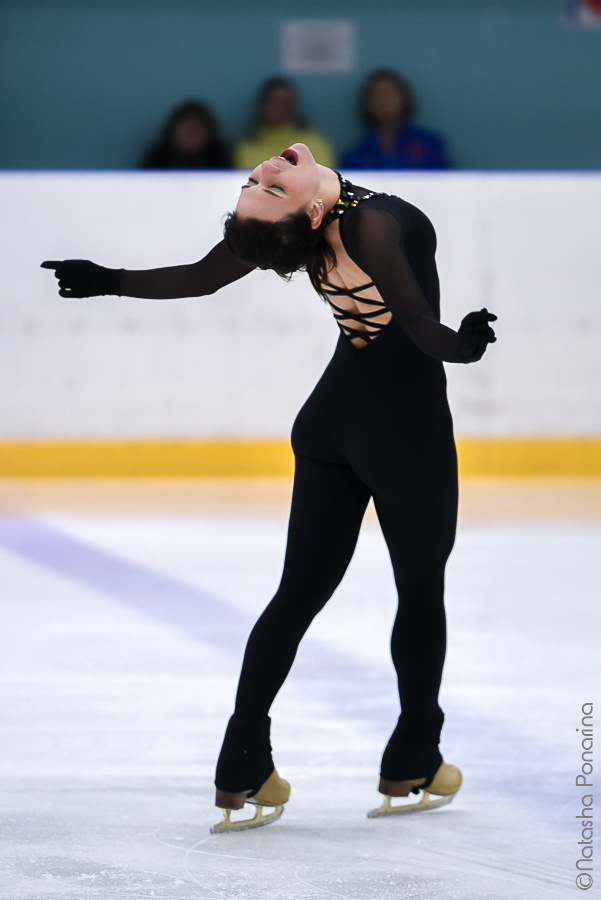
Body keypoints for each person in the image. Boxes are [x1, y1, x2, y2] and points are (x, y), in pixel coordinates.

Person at [42, 143, 496, 832]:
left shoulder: (296, 228)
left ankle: (243, 763)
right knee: (419, 590)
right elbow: (416, 326)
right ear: (310, 215)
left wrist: (110, 280)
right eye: (269, 186)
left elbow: (201, 278)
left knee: (295, 598)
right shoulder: (371, 222)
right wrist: (462, 347)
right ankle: (414, 754)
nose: (269, 169)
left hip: (328, 425)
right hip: (403, 433)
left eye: (259, 179)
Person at [341, 69, 450, 171]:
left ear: (404, 98)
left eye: (389, 94)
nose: (384, 101)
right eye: (377, 95)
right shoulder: (355, 155)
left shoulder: (430, 145)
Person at [234, 77, 335, 170]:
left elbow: (324, 178)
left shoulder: (314, 145)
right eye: (274, 102)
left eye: (285, 103)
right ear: (262, 105)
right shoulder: (248, 148)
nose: (279, 108)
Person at [140, 100, 232, 170]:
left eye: (198, 127)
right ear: (172, 130)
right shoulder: (156, 161)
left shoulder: (222, 161)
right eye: (186, 127)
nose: (192, 132)